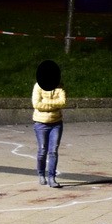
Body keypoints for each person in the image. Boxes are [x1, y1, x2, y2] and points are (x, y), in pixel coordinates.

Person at [31, 59, 66, 187]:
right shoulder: (38, 86)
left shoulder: (60, 87)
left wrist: (46, 104)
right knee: (42, 150)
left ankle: (52, 177)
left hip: (56, 123)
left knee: (53, 151)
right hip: (41, 123)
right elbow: (36, 104)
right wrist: (53, 106)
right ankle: (41, 174)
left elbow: (62, 102)